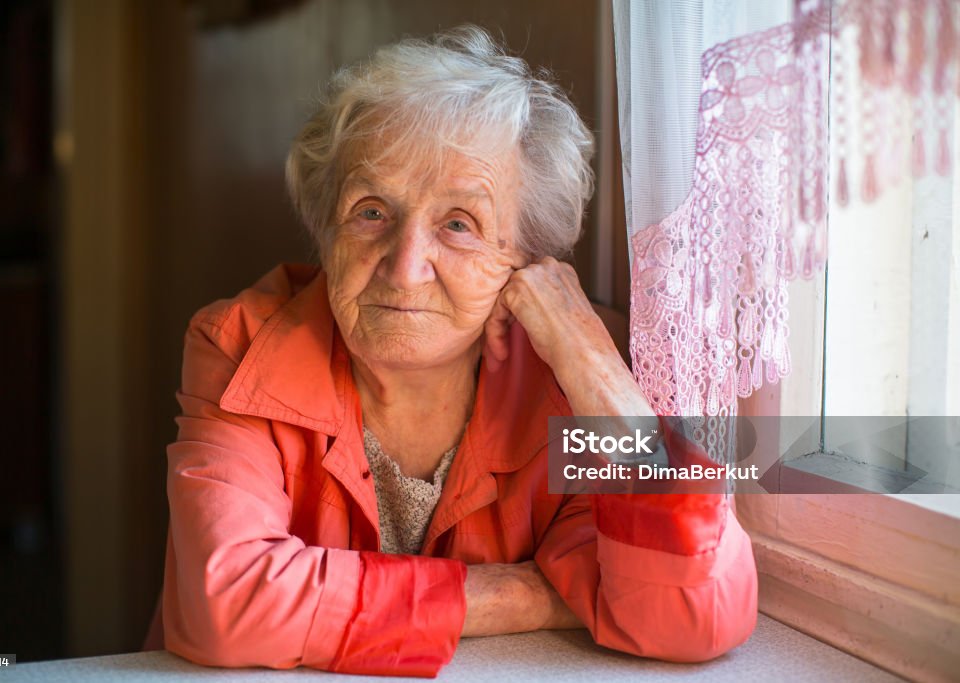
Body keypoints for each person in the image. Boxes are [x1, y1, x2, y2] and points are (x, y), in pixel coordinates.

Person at [151, 25, 757, 677]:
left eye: (459, 224)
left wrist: (598, 371)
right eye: (372, 211)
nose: (405, 267)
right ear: (326, 230)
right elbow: (228, 604)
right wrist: (518, 593)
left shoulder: (566, 383)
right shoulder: (239, 345)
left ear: (523, 259)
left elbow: (692, 614)